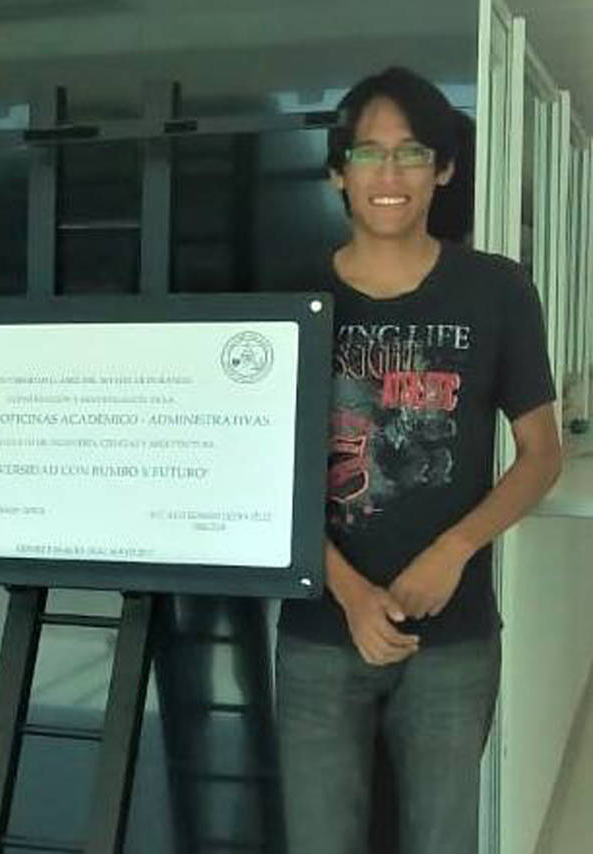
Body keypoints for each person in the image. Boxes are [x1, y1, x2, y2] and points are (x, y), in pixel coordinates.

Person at [276, 66, 562, 854]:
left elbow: (541, 453)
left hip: (454, 639)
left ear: (444, 169)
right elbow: (264, 474)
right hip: (319, 633)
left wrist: (454, 550)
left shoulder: (497, 290)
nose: (389, 174)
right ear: (339, 173)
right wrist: (350, 594)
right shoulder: (290, 298)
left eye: (410, 153)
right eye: (368, 154)